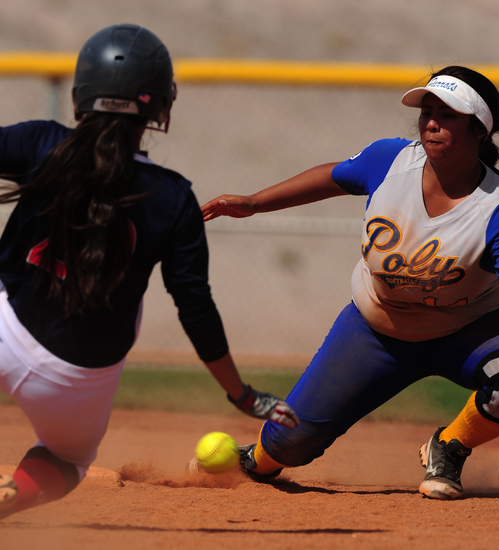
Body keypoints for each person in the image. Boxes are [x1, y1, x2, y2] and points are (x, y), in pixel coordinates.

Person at [200, 65, 499, 500]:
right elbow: (334, 176)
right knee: (291, 443)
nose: (431, 121)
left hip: (467, 332)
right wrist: (254, 202)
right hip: (375, 331)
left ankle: (449, 446)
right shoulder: (391, 161)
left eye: (448, 114)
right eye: (427, 111)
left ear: (479, 131)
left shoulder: (497, 210)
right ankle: (256, 460)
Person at [0, 24, 299, 519]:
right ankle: (14, 493)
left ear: (80, 94)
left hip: (4, 325)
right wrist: (242, 394)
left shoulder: (41, 143)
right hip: (75, 379)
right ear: (161, 107)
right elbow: (195, 307)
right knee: (67, 460)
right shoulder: (173, 197)